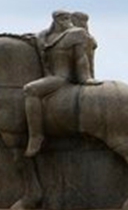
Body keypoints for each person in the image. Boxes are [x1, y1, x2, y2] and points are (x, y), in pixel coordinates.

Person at [23, 10, 100, 157]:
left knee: (30, 89)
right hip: (48, 76)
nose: (67, 21)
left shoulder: (75, 34)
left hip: (61, 77)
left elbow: (80, 58)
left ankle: (36, 136)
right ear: (55, 19)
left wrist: (85, 78)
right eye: (63, 18)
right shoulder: (43, 36)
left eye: (68, 18)